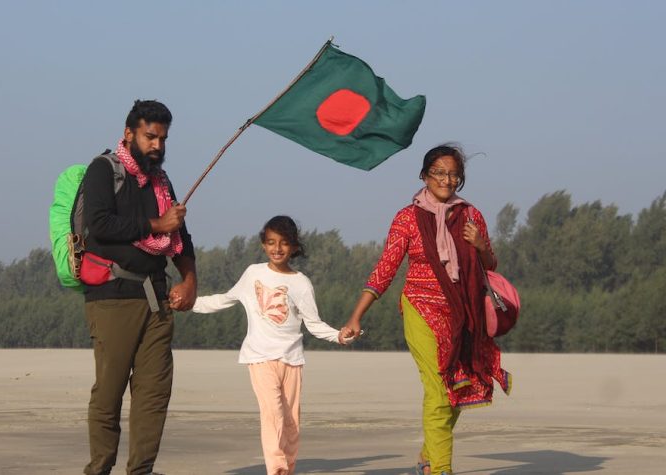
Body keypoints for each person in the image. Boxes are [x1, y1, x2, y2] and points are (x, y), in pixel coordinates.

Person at [343, 144, 511, 475]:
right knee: (437, 388)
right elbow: (385, 269)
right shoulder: (407, 218)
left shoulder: (471, 215)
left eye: (453, 174)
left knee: (458, 387)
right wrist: (356, 315)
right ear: (424, 175)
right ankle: (440, 470)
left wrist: (479, 245)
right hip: (420, 308)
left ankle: (428, 454)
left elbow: (490, 265)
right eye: (439, 172)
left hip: (463, 313)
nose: (446, 180)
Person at [81, 99, 197, 475]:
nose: (157, 146)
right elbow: (99, 224)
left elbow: (180, 235)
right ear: (129, 133)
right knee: (109, 393)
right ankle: (99, 468)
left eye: (163, 139)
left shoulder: (161, 182)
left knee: (153, 395)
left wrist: (190, 279)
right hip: (112, 297)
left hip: (157, 300)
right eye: (150, 137)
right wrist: (154, 226)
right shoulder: (103, 170)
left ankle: (141, 471)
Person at [191, 215, 352, 475]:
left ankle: (287, 467)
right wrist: (190, 303)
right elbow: (225, 299)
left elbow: (313, 323)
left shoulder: (301, 283)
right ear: (263, 245)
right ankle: (276, 468)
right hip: (260, 357)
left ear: (294, 247)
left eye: (284, 243)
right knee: (273, 413)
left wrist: (339, 336)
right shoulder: (253, 273)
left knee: (291, 422)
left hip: (292, 360)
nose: (277, 248)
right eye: (271, 242)